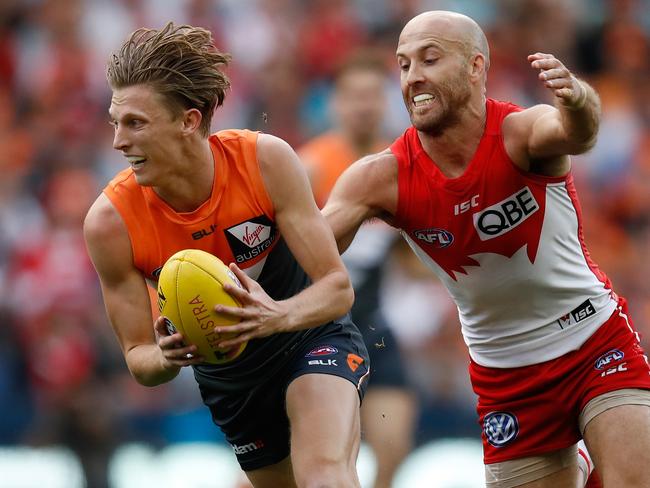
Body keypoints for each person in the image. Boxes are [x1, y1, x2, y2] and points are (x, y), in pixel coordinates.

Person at [322, 10, 650, 488]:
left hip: (593, 340)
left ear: (476, 67)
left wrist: (578, 100)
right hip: (506, 375)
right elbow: (310, 245)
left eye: (429, 59)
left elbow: (578, 132)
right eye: (404, 64)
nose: (414, 77)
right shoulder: (382, 177)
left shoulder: (520, 133)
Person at [83, 23, 370, 488]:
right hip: (230, 380)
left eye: (135, 123)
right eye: (115, 123)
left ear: (189, 121)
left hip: (309, 337)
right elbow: (139, 359)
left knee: (324, 477)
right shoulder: (109, 223)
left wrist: (275, 315)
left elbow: (337, 289)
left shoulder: (265, 161)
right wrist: (169, 356)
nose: (118, 141)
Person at [298, 52, 418, 488]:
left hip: (374, 324)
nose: (364, 105)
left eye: (372, 95)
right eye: (354, 96)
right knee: (320, 458)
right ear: (335, 104)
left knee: (395, 444)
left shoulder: (399, 163)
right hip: (316, 327)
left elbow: (411, 253)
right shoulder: (309, 167)